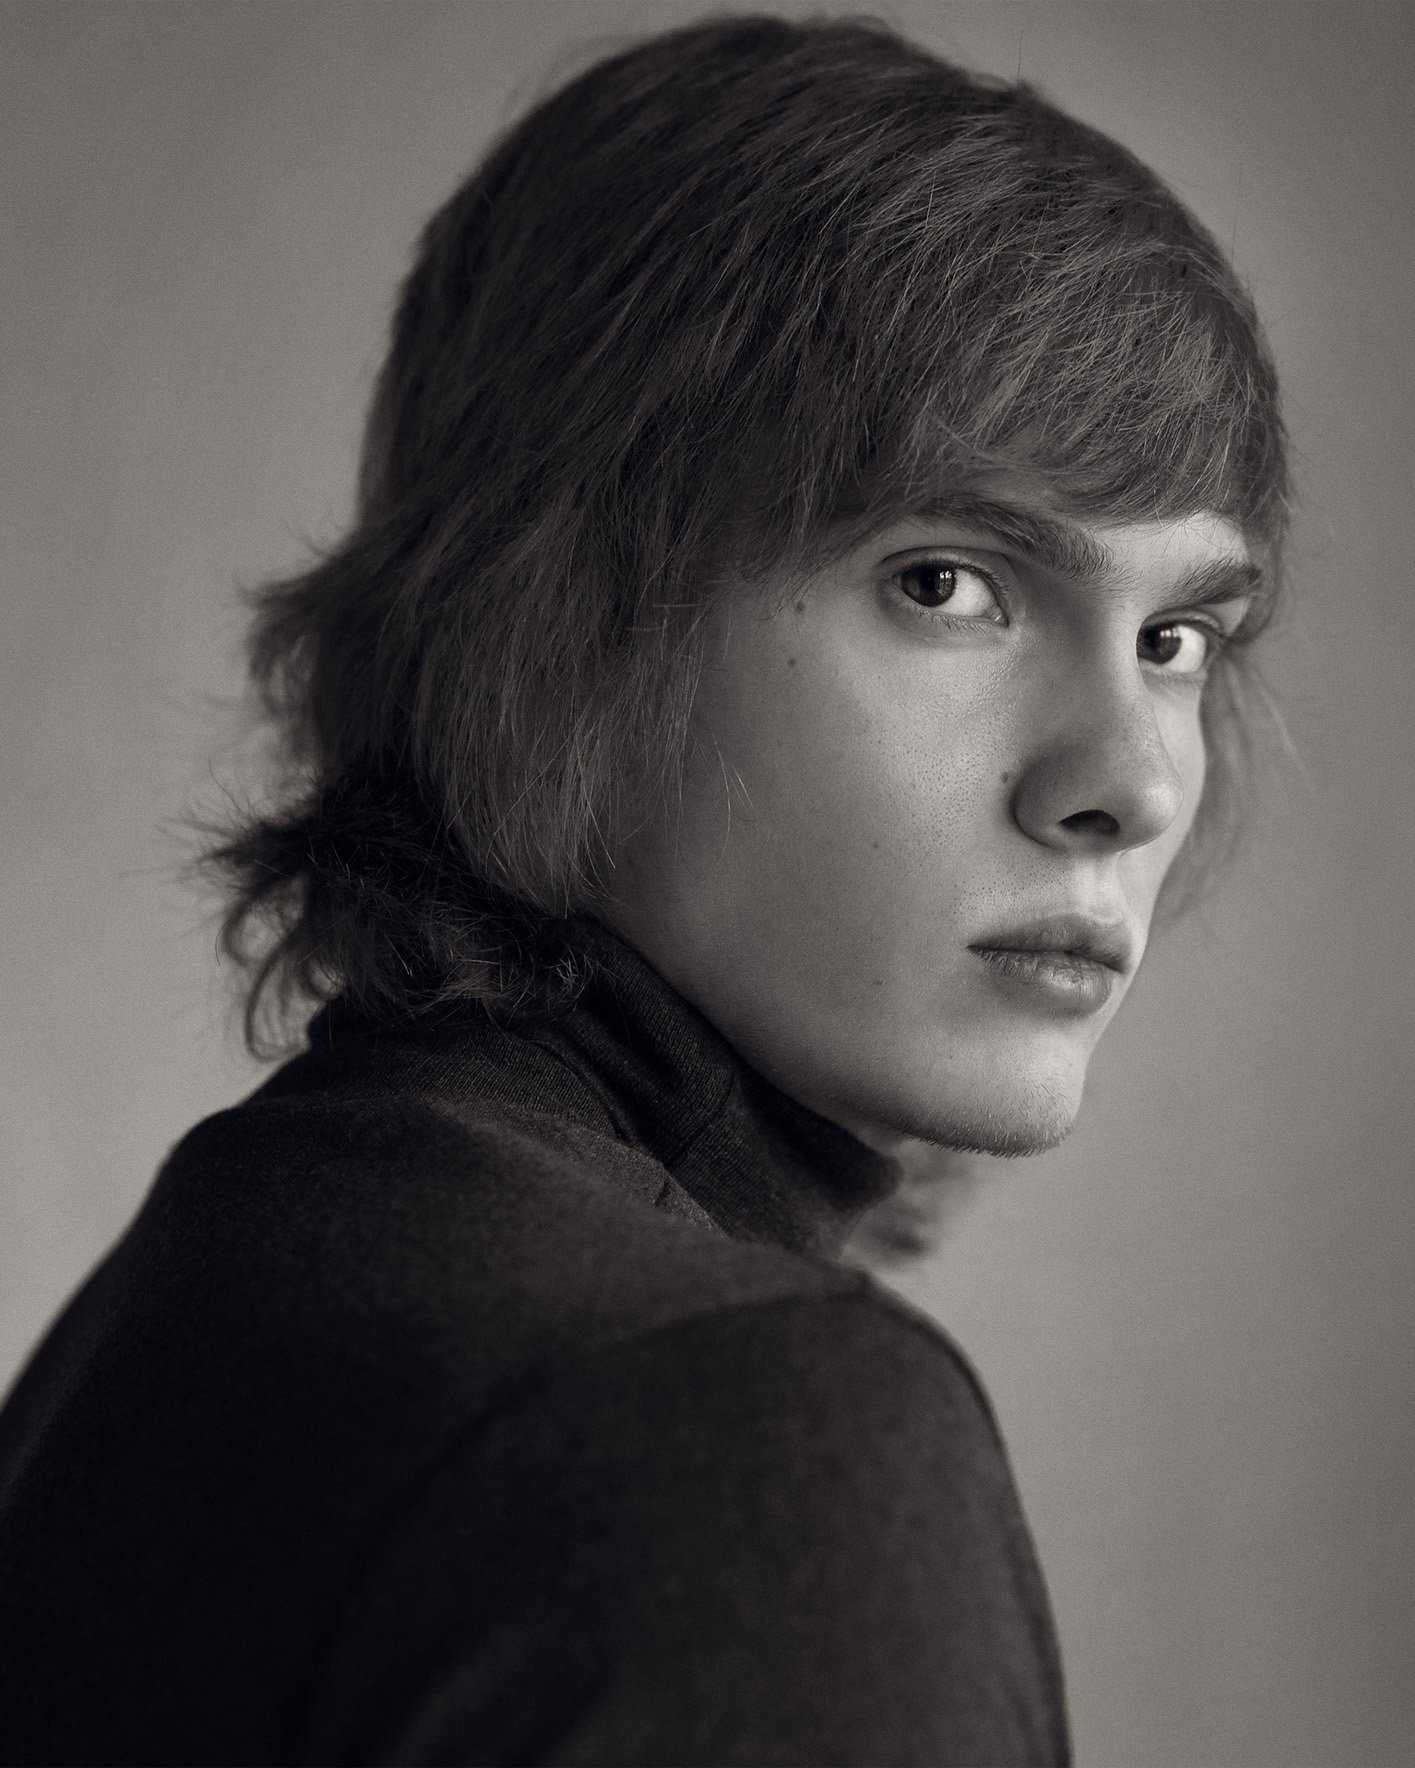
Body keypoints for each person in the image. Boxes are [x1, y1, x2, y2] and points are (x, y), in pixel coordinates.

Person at [0, 13, 1287, 1765]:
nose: (1131, 781)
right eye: (946, 583)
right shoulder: (721, 1425)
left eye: (1179, 637)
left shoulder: (234, 1261)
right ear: (554, 616)